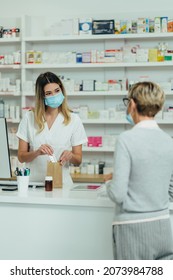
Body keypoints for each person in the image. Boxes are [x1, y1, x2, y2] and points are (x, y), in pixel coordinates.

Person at [105, 81, 173, 260]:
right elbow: (171, 189)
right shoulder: (169, 141)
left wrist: (108, 183)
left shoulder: (126, 139)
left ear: (133, 104)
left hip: (132, 228)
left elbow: (118, 194)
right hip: (163, 226)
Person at [16, 72, 87, 187]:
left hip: (62, 184)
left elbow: (78, 160)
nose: (54, 95)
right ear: (42, 96)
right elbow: (21, 156)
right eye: (48, 93)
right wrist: (37, 152)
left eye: (57, 91)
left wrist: (71, 156)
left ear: (62, 90)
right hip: (35, 185)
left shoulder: (73, 119)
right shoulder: (29, 118)